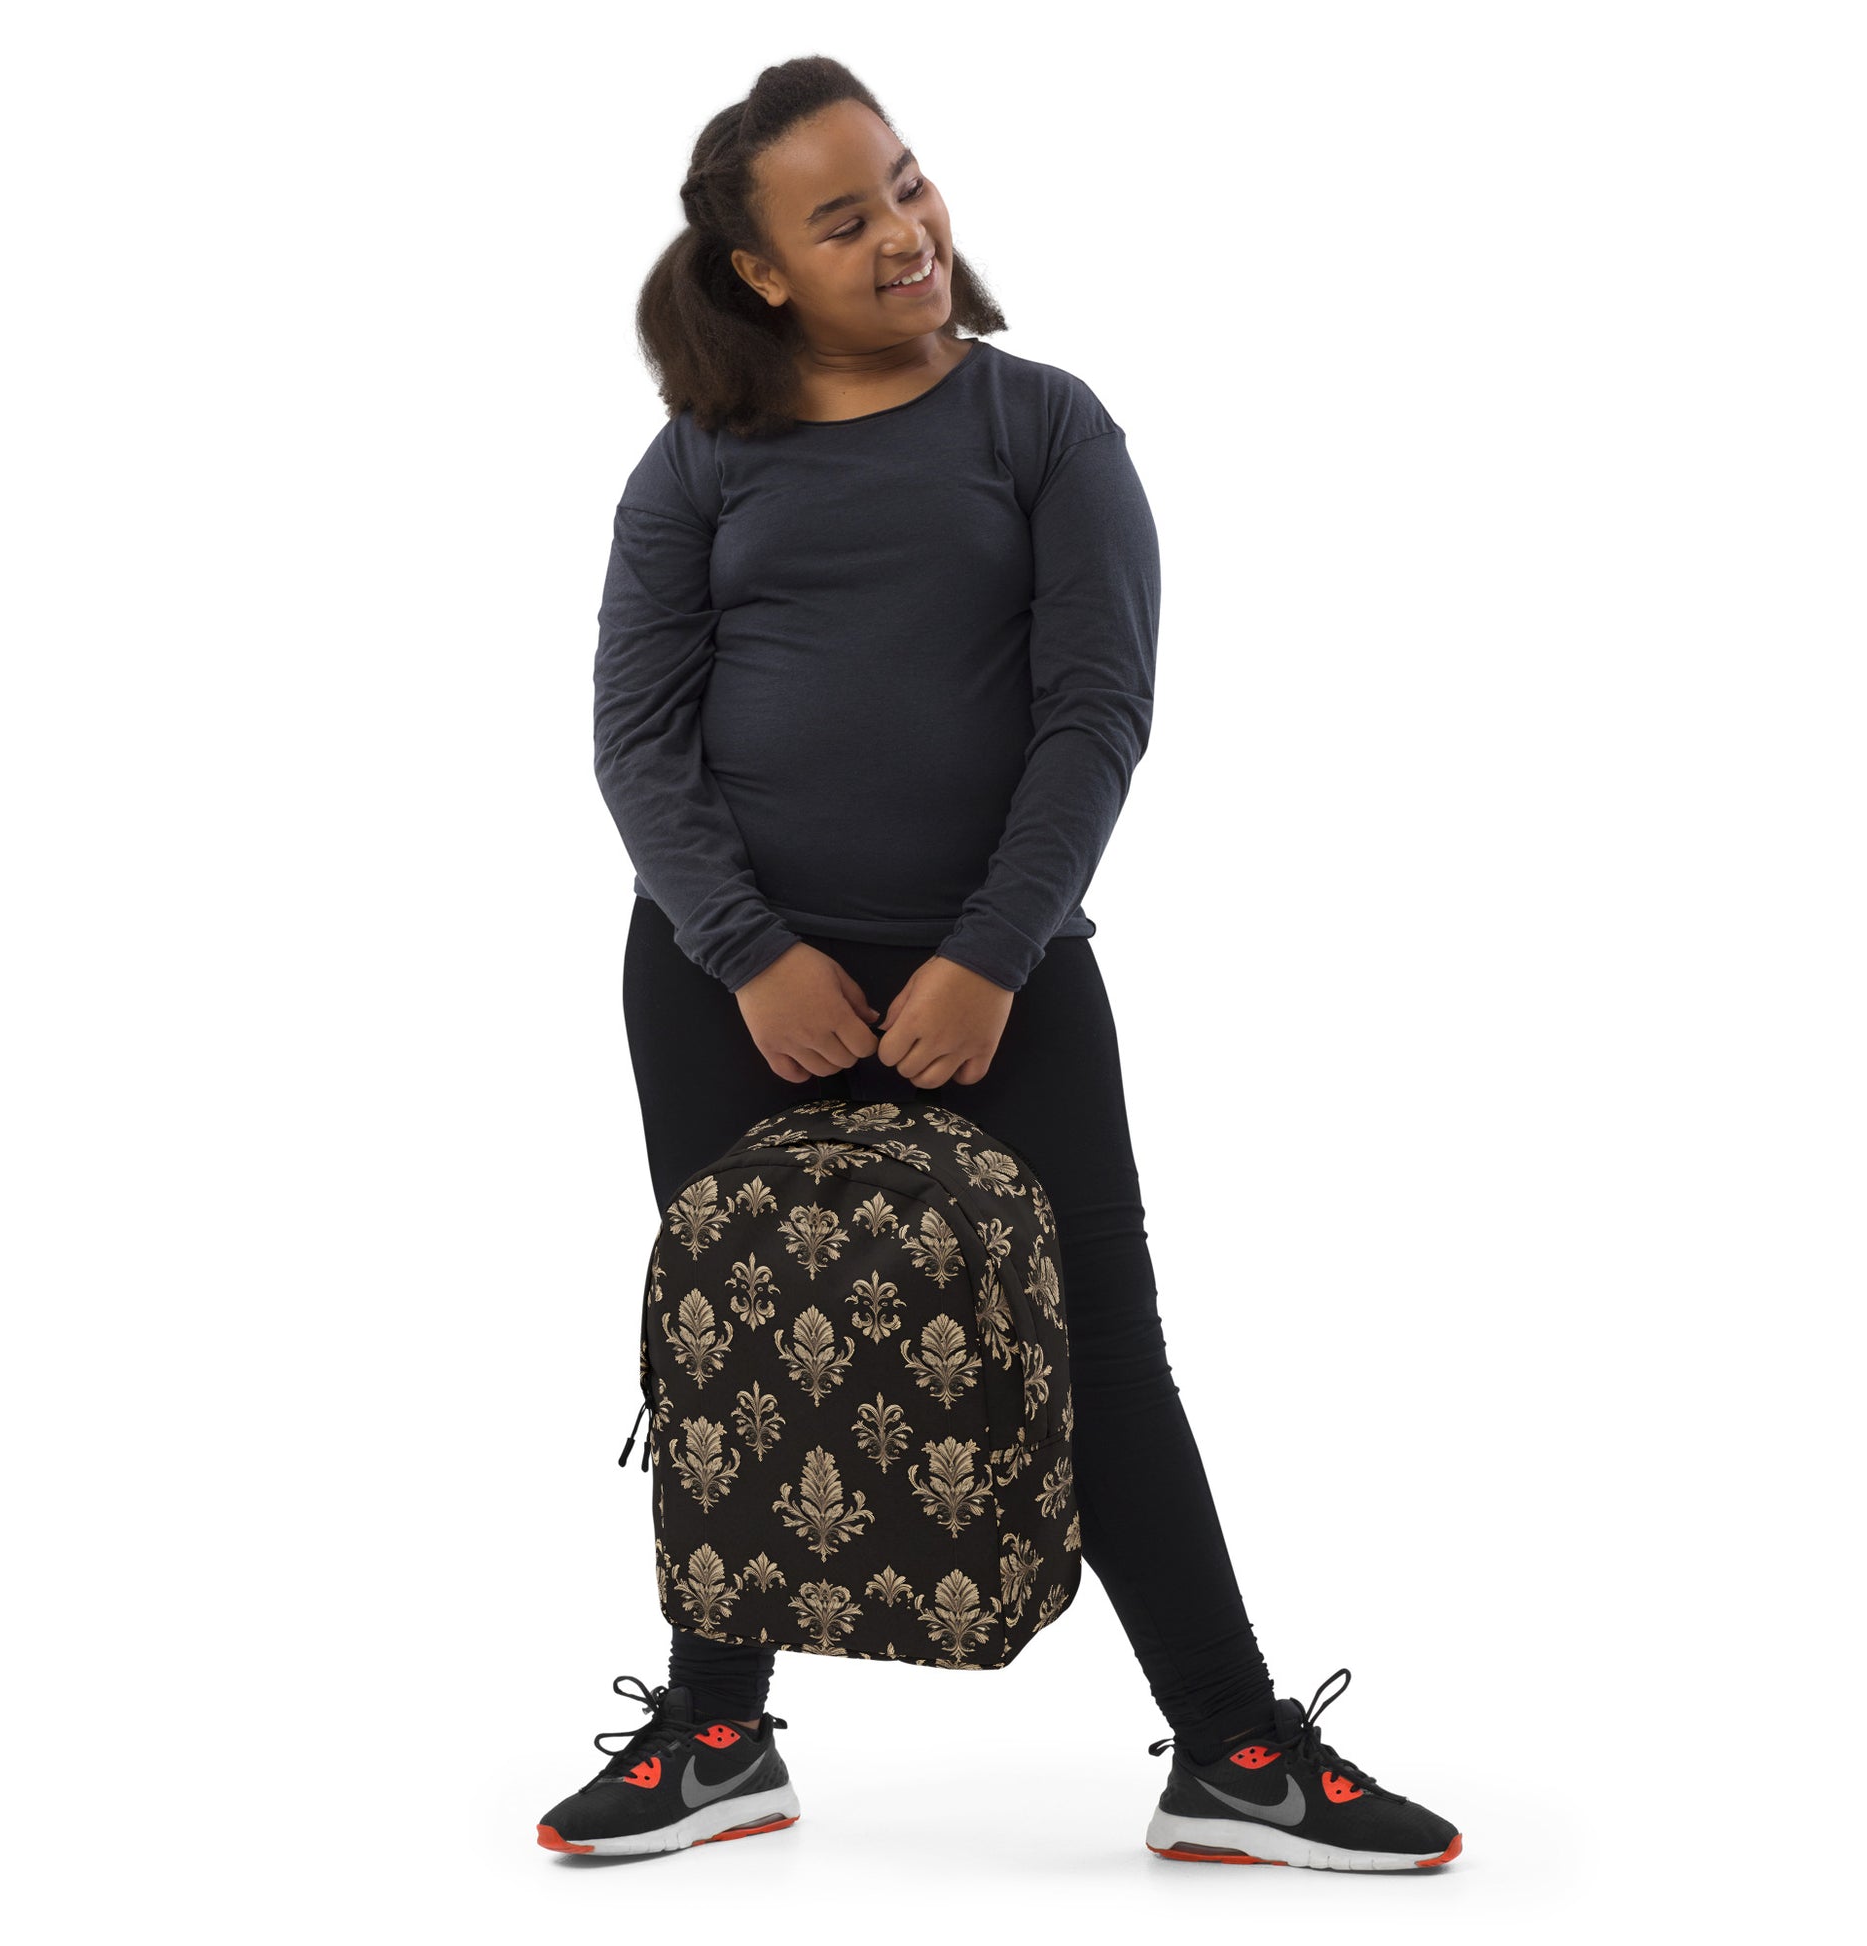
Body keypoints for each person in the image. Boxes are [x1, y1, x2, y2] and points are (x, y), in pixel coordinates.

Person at [537, 56, 1462, 1872]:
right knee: (740, 1335)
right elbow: (636, 741)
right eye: (843, 219)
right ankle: (717, 1732)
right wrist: (749, 952)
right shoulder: (698, 458)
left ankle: (1234, 1748)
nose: (903, 230)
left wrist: (989, 954)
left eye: (904, 182)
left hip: (1003, 975)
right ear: (759, 274)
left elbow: (1093, 712)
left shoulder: (1041, 426)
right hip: (728, 988)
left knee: (1096, 1349)